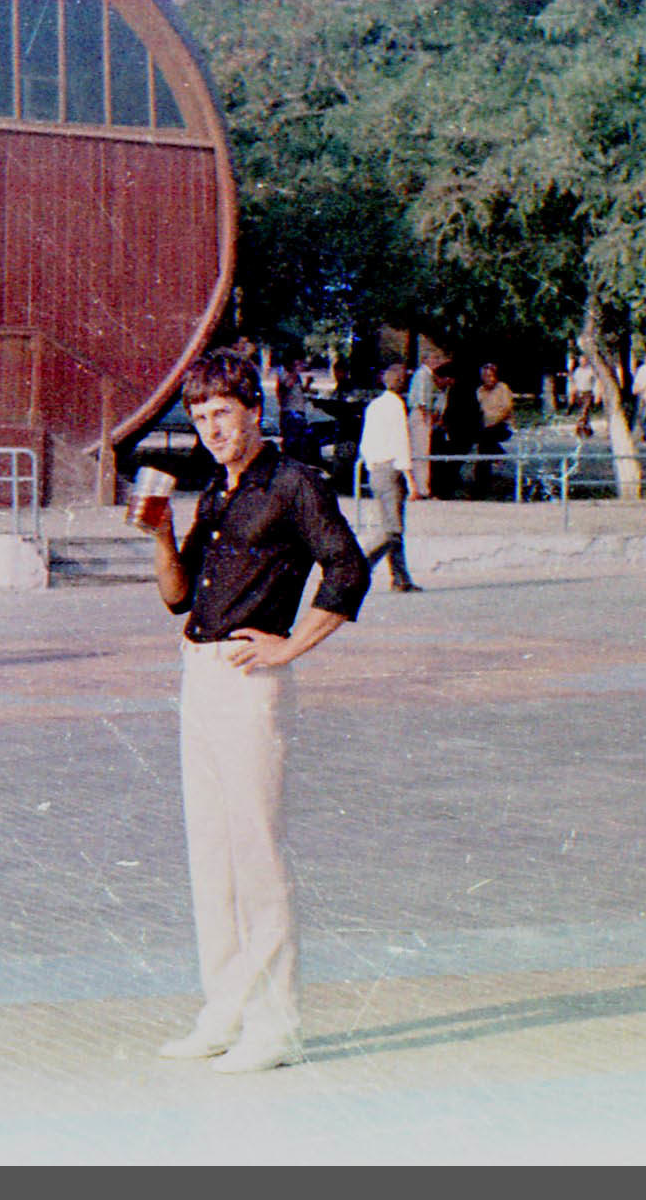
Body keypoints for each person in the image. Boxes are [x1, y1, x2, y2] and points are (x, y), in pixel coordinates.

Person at [132, 347, 369, 1075]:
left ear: (253, 411)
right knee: (212, 855)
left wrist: (289, 645)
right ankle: (224, 1009)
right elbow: (176, 597)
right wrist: (158, 534)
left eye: (223, 414)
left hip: (248, 683)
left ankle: (275, 1023)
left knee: (257, 855)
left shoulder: (292, 483)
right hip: (198, 676)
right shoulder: (218, 490)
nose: (212, 429)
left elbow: (347, 565)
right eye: (201, 417)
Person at [358, 363, 420, 591]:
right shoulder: (397, 406)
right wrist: (411, 479)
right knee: (393, 529)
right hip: (391, 469)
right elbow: (400, 443)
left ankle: (400, 577)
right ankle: (360, 564)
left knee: (391, 525)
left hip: (375, 470)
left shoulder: (374, 406)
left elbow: (365, 442)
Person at [471, 362, 515, 499]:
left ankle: (480, 488)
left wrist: (491, 422)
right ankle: (497, 456)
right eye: (484, 376)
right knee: (484, 448)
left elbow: (506, 409)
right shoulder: (479, 391)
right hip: (485, 429)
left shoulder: (503, 388)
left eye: (490, 376)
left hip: (501, 425)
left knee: (484, 443)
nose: (487, 379)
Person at [405, 353, 443, 497]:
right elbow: (421, 400)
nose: (435, 361)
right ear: (425, 360)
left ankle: (421, 486)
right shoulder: (422, 375)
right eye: (433, 358)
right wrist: (427, 415)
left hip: (423, 415)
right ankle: (421, 488)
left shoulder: (429, 376)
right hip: (420, 415)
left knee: (422, 451)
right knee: (420, 452)